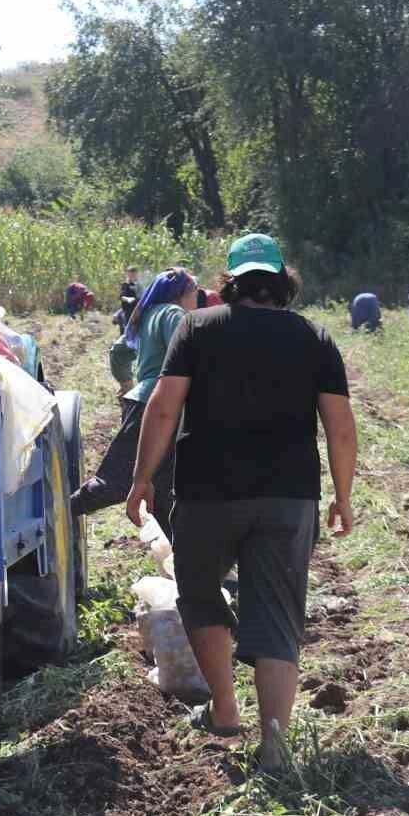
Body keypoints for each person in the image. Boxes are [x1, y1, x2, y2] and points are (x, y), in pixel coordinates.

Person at [125, 234, 357, 770]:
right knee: (277, 614)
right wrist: (343, 495)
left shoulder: (199, 328)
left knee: (202, 595)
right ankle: (275, 745)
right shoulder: (314, 339)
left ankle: (225, 712)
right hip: (288, 496)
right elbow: (340, 429)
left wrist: (142, 479)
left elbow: (162, 409)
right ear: (282, 282)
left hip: (210, 494)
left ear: (231, 281)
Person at [70, 268, 199, 527]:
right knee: (118, 481)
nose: (196, 301)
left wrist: (127, 381)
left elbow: (118, 351)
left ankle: (180, 557)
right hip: (162, 403)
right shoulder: (174, 314)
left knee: (163, 489)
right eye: (194, 294)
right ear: (183, 294)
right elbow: (189, 353)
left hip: (141, 398)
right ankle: (59, 510)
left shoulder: (147, 314)